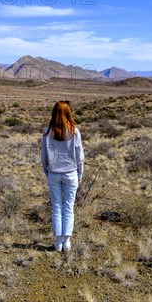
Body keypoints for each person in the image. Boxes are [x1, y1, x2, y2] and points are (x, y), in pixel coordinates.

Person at [41, 101, 85, 252]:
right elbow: (79, 155)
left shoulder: (47, 132)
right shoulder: (75, 132)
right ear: (68, 113)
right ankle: (66, 242)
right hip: (71, 173)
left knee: (57, 207)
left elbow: (43, 156)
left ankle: (58, 242)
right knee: (68, 207)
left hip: (53, 173)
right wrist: (80, 172)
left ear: (53, 113)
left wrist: (47, 172)